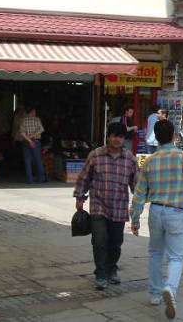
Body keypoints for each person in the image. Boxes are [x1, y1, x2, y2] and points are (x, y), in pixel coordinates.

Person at [130, 119, 183, 320]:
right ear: (174, 136)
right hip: (176, 212)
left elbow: (139, 192)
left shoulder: (150, 161)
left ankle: (155, 294)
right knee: (176, 256)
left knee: (155, 253)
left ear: (157, 137)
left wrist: (134, 218)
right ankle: (170, 288)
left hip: (156, 210)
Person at [74, 122, 138, 290]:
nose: (118, 139)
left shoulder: (130, 158)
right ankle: (101, 273)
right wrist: (80, 197)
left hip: (119, 207)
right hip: (98, 206)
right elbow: (84, 178)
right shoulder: (95, 155)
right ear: (108, 136)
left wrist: (142, 199)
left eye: (121, 136)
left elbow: (136, 184)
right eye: (115, 135)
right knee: (100, 240)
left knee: (116, 242)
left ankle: (111, 269)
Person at [19, 106, 46, 184]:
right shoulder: (37, 119)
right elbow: (41, 130)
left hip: (26, 142)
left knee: (27, 160)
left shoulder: (23, 120)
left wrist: (29, 139)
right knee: (38, 160)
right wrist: (32, 138)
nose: (35, 113)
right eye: (34, 111)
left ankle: (29, 179)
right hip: (36, 141)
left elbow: (22, 133)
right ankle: (41, 179)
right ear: (32, 111)